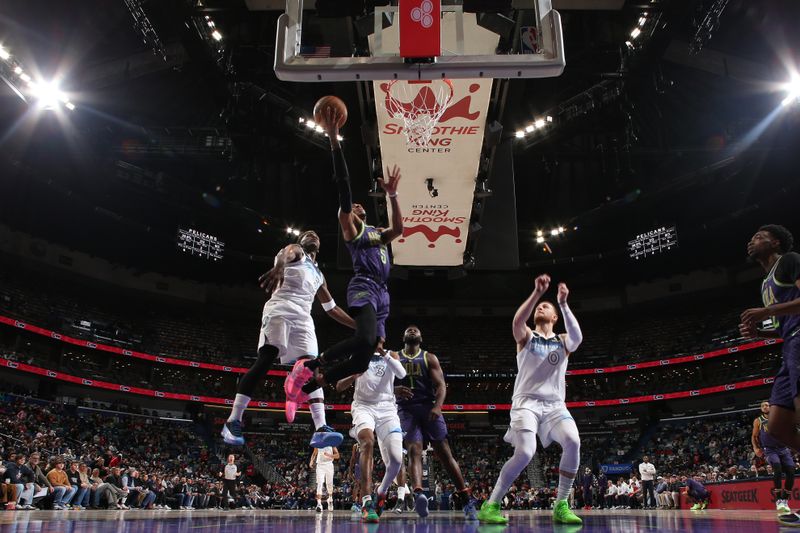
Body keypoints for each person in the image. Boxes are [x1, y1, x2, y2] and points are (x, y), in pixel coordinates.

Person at [298, 106, 403, 399]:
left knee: (365, 356)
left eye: (359, 205)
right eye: (352, 206)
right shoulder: (352, 229)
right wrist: (334, 139)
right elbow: (343, 187)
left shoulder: (379, 234)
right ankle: (319, 361)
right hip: (364, 287)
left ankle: (318, 382)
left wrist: (392, 195)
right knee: (365, 338)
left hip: (383, 295)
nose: (355, 205)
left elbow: (400, 229)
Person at [221, 229, 354, 449]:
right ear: (301, 241)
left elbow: (332, 308)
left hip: (303, 317)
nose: (312, 234)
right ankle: (233, 421)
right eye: (307, 233)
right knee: (266, 359)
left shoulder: (319, 275)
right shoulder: (296, 252)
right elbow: (286, 254)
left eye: (315, 234)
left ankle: (320, 428)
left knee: (314, 369)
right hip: (280, 309)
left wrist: (359, 326)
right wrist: (279, 267)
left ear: (319, 247)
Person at [478, 274, 583, 525]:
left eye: (546, 306)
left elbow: (577, 338)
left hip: (555, 405)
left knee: (573, 441)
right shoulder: (526, 336)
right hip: (526, 402)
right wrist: (536, 293)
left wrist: (564, 303)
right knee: (525, 451)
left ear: (555, 318)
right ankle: (491, 504)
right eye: (539, 306)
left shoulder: (563, 341)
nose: (540, 307)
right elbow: (516, 321)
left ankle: (561, 504)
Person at [739, 225, 800, 524]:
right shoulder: (765, 284)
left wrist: (765, 314)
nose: (752, 240)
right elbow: (780, 325)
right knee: (775, 429)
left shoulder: (789, 260)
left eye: (758, 236)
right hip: (789, 343)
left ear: (775, 241)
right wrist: (759, 335)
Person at [393, 325, 475, 519]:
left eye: (416, 330)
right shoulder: (394, 357)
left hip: (428, 406)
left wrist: (438, 406)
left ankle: (465, 498)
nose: (412, 330)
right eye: (408, 329)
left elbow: (440, 385)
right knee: (414, 449)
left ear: (420, 338)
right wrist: (394, 391)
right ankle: (419, 493)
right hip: (406, 409)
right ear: (403, 337)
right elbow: (385, 383)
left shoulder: (429, 357)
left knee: (444, 453)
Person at [336, 344, 406, 523]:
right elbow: (339, 386)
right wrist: (354, 375)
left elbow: (401, 374)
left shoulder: (391, 354)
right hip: (363, 407)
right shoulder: (357, 355)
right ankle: (367, 502)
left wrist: (383, 353)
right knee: (367, 442)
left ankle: (381, 491)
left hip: (387, 410)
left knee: (397, 460)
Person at [752, 400, 793, 513]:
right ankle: (779, 499)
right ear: (761, 409)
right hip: (770, 450)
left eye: (767, 405)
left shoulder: (779, 418)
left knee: (791, 472)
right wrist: (756, 448)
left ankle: (785, 500)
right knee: (777, 469)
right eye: (763, 406)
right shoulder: (758, 421)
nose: (765, 407)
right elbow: (754, 436)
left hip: (783, 449)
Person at [309, 445, 339, 512]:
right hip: (320, 465)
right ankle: (319, 504)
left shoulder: (332, 444)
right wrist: (311, 461)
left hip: (329, 465)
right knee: (319, 484)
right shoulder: (318, 443)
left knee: (329, 485)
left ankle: (330, 499)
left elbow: (337, 455)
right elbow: (314, 453)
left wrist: (329, 455)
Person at [347, 443, 362, 514]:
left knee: (363, 486)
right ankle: (354, 504)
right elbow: (353, 458)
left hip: (366, 466)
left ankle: (360, 504)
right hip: (359, 466)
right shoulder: (356, 445)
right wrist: (350, 471)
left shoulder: (368, 442)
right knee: (357, 485)